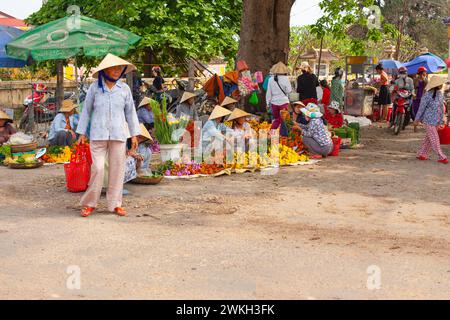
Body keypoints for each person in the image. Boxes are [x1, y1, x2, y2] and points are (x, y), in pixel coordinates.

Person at [76, 53, 141, 218]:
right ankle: (89, 203)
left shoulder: (124, 89)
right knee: (97, 168)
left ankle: (115, 205)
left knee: (117, 170)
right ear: (105, 70)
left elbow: (131, 113)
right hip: (98, 134)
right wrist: (82, 132)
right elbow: (86, 111)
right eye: (114, 67)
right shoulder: (94, 88)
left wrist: (134, 134)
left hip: (119, 134)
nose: (117, 70)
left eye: (120, 68)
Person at [414, 76, 448, 164]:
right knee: (434, 139)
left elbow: (441, 108)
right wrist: (417, 119)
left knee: (429, 139)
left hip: (436, 120)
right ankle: (441, 156)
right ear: (437, 85)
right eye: (441, 84)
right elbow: (421, 108)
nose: (442, 85)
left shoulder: (440, 94)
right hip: (428, 121)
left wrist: (441, 120)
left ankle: (422, 154)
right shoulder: (427, 95)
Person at [266, 62, 292, 130]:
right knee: (284, 120)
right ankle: (283, 136)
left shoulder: (270, 79)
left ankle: (271, 134)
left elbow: (268, 93)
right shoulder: (286, 79)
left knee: (277, 119)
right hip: (283, 103)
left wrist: (267, 103)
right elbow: (289, 91)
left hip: (274, 103)